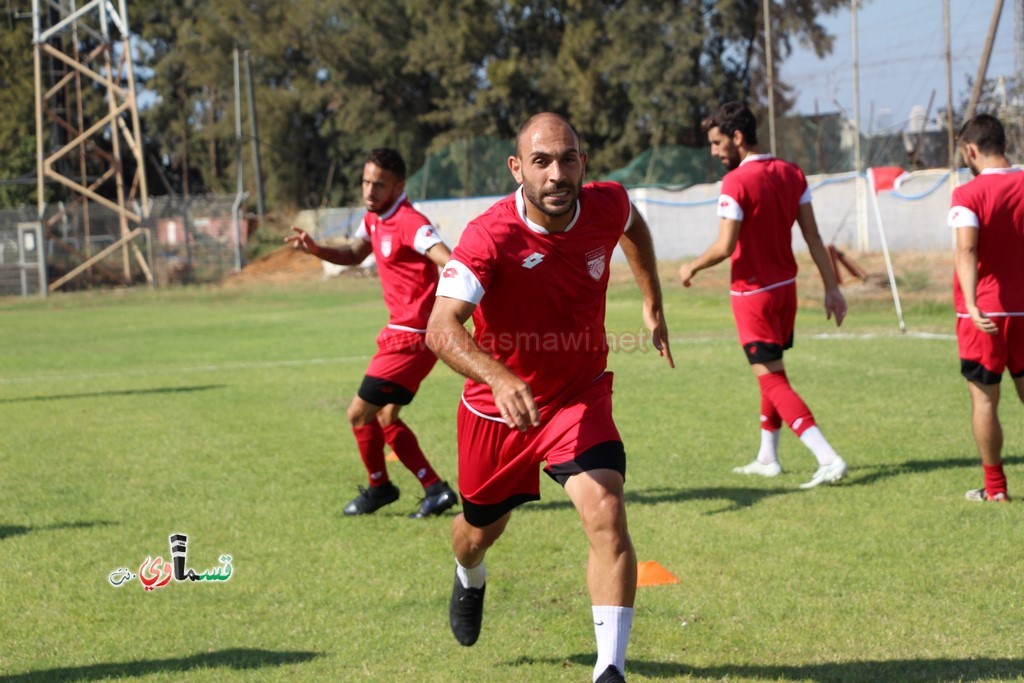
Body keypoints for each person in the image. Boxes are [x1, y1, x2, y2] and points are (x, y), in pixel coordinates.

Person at [426, 112, 673, 683]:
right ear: (518, 169)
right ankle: (470, 574)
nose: (556, 174)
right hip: (499, 411)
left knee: (606, 510)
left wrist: (652, 301)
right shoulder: (490, 236)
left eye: (567, 159)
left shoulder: (607, 203)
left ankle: (609, 669)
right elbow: (441, 327)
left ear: (583, 163)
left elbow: (634, 229)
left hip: (577, 395)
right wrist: (497, 376)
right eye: (541, 162)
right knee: (477, 533)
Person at [678, 101, 848, 489]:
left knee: (772, 380)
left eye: (718, 142)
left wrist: (691, 266)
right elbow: (813, 237)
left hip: (752, 295)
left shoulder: (736, 182)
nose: (714, 151)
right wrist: (831, 287)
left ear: (738, 138)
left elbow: (724, 246)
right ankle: (767, 457)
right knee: (773, 372)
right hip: (785, 292)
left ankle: (828, 457)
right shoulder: (792, 173)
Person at [286, 147, 458, 518]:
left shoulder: (411, 222)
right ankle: (435, 490)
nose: (369, 191)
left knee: (358, 414)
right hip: (406, 334)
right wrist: (317, 249)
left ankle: (380, 488)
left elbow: (450, 260)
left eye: (378, 185)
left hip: (410, 337)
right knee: (385, 417)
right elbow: (353, 253)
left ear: (398, 186)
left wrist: (457, 301)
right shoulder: (374, 218)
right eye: (366, 182)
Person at [948, 113, 1024, 503]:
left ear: (971, 150)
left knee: (984, 401)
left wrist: (974, 303)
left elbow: (966, 247)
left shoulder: (967, 193)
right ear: (1005, 145)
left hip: (985, 316)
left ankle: (995, 490)